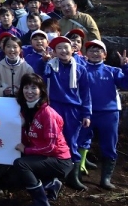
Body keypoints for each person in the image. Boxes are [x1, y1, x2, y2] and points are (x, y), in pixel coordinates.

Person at [36, 36, 91, 190]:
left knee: (71, 141)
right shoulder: (50, 66)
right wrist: (43, 61)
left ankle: (72, 177)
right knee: (52, 141)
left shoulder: (80, 68)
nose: (63, 50)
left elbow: (86, 94)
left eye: (65, 47)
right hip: (53, 107)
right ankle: (53, 176)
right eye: (58, 48)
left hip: (73, 110)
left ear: (73, 49)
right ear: (54, 52)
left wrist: (87, 114)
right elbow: (38, 76)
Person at [13, 73, 72, 206]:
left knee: (21, 164)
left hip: (59, 159)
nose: (29, 92)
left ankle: (41, 202)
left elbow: (50, 147)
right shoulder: (27, 109)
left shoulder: (47, 113)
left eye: (34, 88)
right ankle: (51, 183)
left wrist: (26, 150)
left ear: (41, 90)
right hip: (43, 156)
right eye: (26, 88)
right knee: (15, 179)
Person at [77, 40, 128, 190]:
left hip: (109, 112)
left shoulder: (112, 70)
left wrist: (125, 67)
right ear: (86, 54)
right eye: (91, 50)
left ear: (104, 55)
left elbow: (125, 84)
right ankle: (77, 172)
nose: (94, 53)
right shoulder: (80, 69)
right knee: (81, 141)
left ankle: (105, 179)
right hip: (86, 112)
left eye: (98, 51)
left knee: (109, 144)